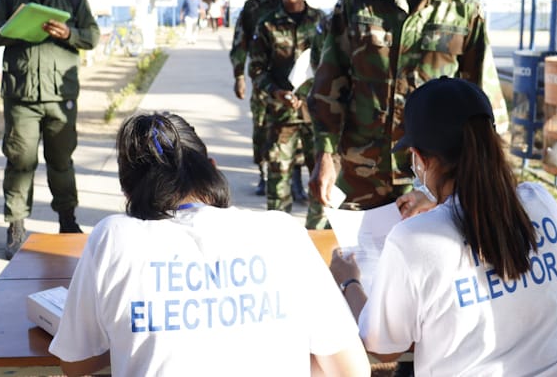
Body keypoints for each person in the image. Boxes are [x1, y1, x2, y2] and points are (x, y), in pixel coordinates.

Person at [48, 111, 370, 377]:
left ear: (127, 191)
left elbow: (75, 363)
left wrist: (138, 336)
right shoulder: (283, 232)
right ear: (212, 168)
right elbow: (352, 371)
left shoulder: (114, 238)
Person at [329, 77, 557, 376]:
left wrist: (349, 281)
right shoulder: (540, 201)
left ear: (421, 159)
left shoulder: (413, 240)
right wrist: (441, 202)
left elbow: (383, 346)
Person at [308, 0, 508, 211]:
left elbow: (483, 102)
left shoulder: (465, 12)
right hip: (358, 172)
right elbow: (330, 81)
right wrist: (325, 154)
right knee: (339, 242)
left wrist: (486, 175)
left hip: (432, 179)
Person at [0, 0, 100, 260]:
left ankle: (67, 220)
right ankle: (16, 225)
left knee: (61, 162)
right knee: (20, 161)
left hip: (60, 96)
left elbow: (92, 36)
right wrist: (13, 28)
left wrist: (69, 34)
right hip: (22, 96)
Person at [248, 0, 324, 224]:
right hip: (281, 115)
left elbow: (335, 64)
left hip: (317, 113)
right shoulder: (267, 24)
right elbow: (257, 69)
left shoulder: (322, 22)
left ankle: (318, 235)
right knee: (278, 180)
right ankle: (279, 235)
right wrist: (276, 92)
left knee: (321, 177)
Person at [230, 0, 308, 198]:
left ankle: (296, 178)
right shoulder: (254, 7)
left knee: (295, 131)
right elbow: (240, 42)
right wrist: (239, 75)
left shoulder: (302, 10)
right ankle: (264, 174)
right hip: (265, 82)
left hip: (296, 84)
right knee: (262, 129)